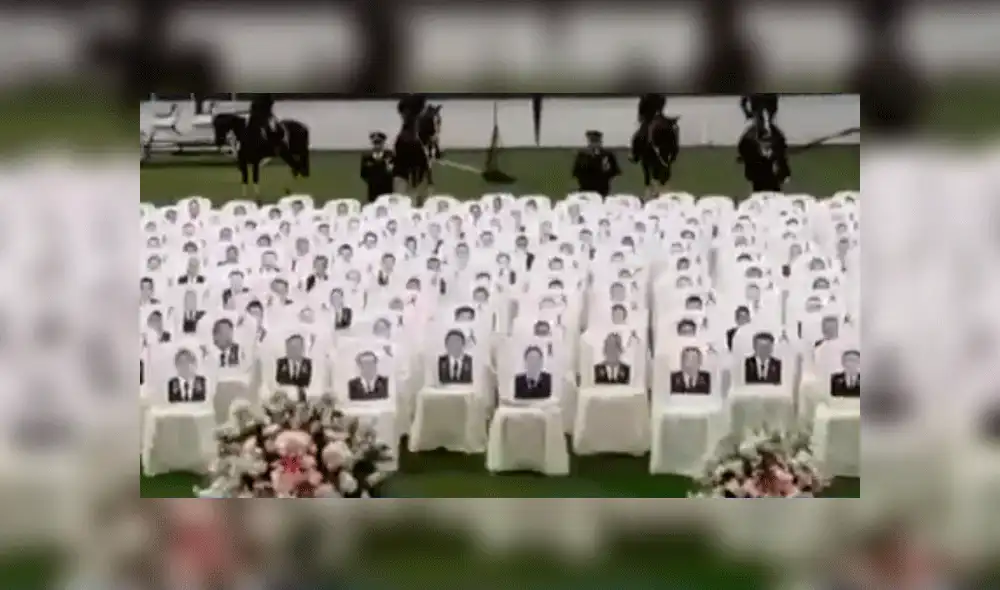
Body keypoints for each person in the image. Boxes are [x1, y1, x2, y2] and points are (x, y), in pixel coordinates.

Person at [738, 104, 790, 192]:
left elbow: (782, 156)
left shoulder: (777, 137)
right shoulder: (748, 139)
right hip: (758, 175)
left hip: (773, 178)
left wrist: (784, 171)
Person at [572, 130, 621, 197]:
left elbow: (615, 172)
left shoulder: (607, 155)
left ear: (600, 142)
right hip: (585, 189)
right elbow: (576, 172)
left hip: (602, 189)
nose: (594, 144)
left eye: (596, 141)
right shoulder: (582, 155)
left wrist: (607, 172)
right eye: (592, 141)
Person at [360, 131, 394, 203]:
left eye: (379, 143)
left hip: (387, 192)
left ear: (383, 143)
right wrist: (373, 181)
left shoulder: (390, 156)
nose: (377, 145)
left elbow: (394, 172)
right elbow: (363, 174)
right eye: (375, 143)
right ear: (372, 144)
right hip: (373, 193)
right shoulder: (367, 158)